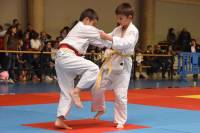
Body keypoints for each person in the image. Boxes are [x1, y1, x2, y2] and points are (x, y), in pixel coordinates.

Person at [54, 8, 111, 129]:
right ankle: (77, 91)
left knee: (66, 91)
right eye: (93, 23)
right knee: (94, 69)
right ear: (86, 20)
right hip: (68, 56)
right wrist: (119, 38)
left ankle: (60, 119)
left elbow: (101, 42)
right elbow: (102, 36)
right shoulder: (83, 27)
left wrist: (113, 45)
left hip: (62, 58)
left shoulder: (82, 32)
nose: (93, 26)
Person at [91, 3, 139, 129]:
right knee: (97, 86)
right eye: (117, 18)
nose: (118, 21)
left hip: (123, 64)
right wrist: (97, 36)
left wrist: (107, 37)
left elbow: (125, 44)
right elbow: (107, 41)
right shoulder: (117, 29)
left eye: (121, 18)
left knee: (120, 94)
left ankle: (120, 120)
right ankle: (101, 108)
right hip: (112, 61)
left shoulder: (133, 31)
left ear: (130, 17)